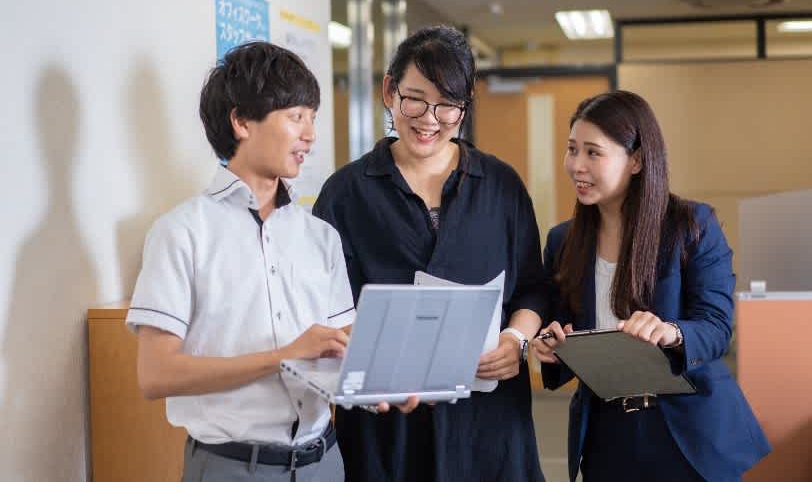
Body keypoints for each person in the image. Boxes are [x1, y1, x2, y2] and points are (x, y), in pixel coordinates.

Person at [313, 25, 546, 482]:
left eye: (448, 106)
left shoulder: (501, 187)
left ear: (464, 108)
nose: (430, 118)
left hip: (487, 424)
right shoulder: (345, 195)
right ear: (389, 91)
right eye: (416, 99)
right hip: (387, 427)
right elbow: (323, 309)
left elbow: (534, 289)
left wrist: (514, 342)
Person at [125, 41, 357, 482]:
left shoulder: (320, 236)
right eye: (296, 117)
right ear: (241, 121)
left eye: (312, 118)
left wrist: (381, 382)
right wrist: (283, 356)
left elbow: (339, 346)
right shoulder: (182, 233)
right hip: (231, 468)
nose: (310, 134)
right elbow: (155, 374)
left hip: (324, 462)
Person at [531, 90, 771, 482]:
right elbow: (560, 326)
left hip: (689, 434)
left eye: (593, 153)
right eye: (572, 149)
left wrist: (671, 332)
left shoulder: (692, 226)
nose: (576, 165)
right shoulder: (563, 241)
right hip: (606, 436)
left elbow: (716, 325)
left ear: (637, 160)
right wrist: (553, 345)